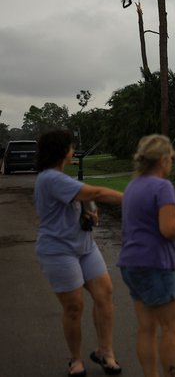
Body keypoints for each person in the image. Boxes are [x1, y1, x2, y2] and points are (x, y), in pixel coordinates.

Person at [33, 130, 124, 377]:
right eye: (71, 147)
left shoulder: (61, 177)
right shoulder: (50, 178)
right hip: (58, 251)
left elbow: (85, 202)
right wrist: (131, 198)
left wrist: (88, 213)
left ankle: (105, 351)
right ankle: (75, 360)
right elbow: (94, 193)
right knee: (74, 307)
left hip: (84, 246)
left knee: (104, 294)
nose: (73, 151)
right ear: (63, 151)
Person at [118, 134, 175, 377]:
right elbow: (168, 229)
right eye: (171, 159)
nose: (171, 163)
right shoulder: (163, 186)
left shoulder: (132, 186)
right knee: (172, 326)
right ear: (163, 160)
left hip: (130, 264)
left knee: (146, 328)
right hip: (154, 265)